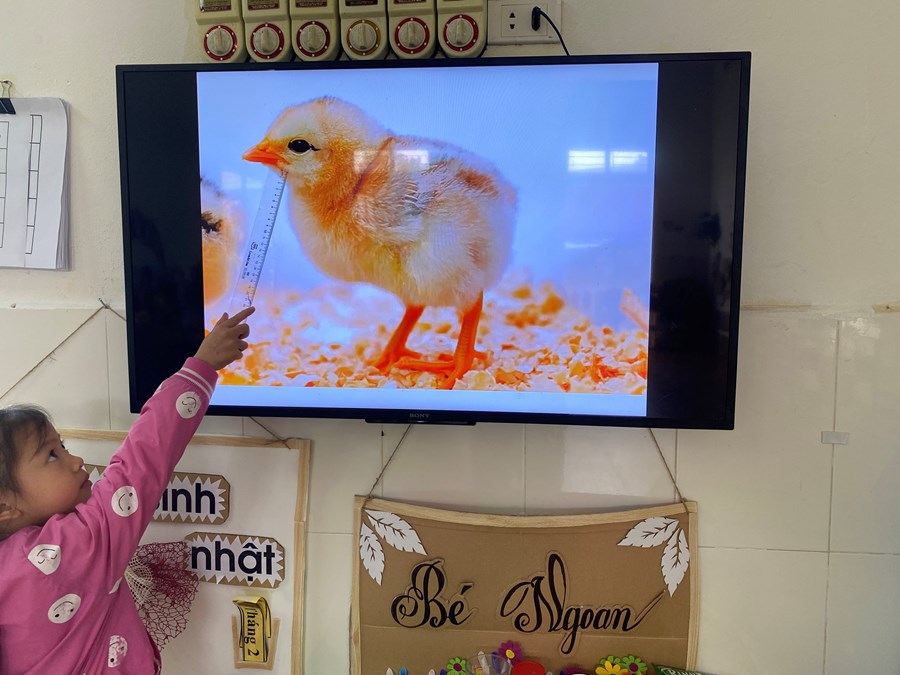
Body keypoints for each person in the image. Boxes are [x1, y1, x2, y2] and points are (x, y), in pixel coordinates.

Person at [0, 306, 255, 674]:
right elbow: (142, 462)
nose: (76, 460)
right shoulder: (72, 549)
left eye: (64, 446)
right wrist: (201, 367)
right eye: (52, 455)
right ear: (4, 506)